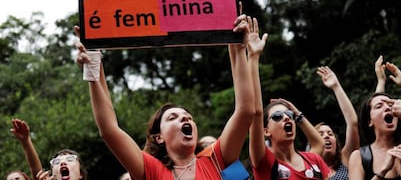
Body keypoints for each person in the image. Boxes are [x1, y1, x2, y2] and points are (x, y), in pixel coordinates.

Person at [75, 13, 256, 180]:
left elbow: (246, 111)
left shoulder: (215, 160)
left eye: (189, 117)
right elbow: (109, 129)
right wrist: (92, 67)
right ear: (158, 137)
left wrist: (237, 48)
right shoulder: (151, 170)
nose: (185, 117)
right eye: (172, 118)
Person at [248, 18, 329, 179]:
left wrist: (297, 113)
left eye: (289, 115)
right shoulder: (265, 164)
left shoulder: (313, 159)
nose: (286, 118)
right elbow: (256, 113)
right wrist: (254, 56)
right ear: (266, 131)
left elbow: (318, 143)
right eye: (278, 116)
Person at [348, 92, 401, 180]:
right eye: (379, 106)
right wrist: (383, 171)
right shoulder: (359, 157)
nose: (387, 108)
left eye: (390, 105)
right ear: (369, 121)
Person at [315, 66, 359, 179]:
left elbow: (353, 123)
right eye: (321, 134)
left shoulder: (345, 159)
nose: (327, 136)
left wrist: (336, 86)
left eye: (330, 134)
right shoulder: (307, 168)